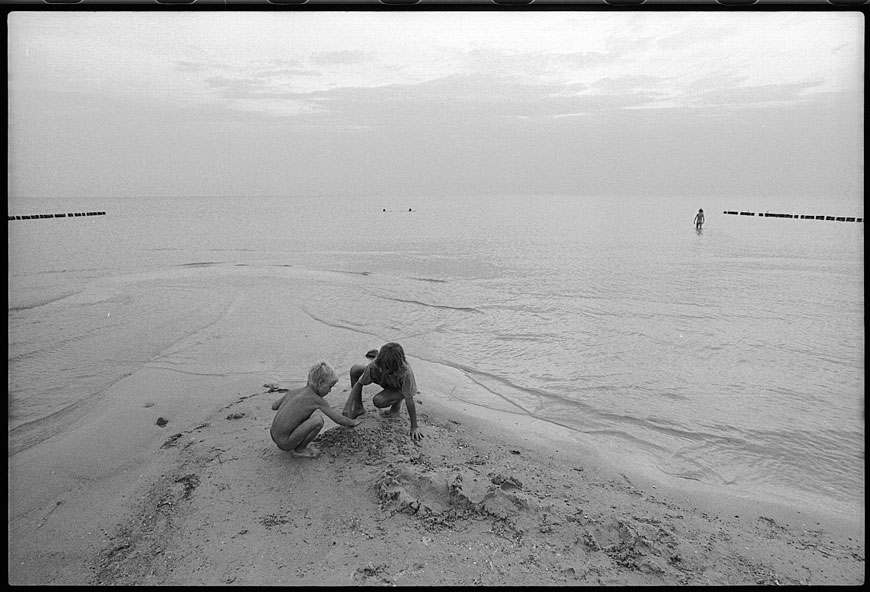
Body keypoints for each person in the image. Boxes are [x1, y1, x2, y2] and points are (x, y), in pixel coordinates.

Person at [270, 361, 361, 458]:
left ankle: (291, 438)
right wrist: (354, 422)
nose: (330, 391)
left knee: (302, 415)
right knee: (318, 420)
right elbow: (338, 419)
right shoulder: (316, 399)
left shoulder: (293, 392)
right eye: (330, 386)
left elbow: (274, 406)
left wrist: (291, 410)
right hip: (285, 443)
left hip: (273, 435)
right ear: (320, 383)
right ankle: (300, 449)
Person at [342, 342, 423, 441]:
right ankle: (358, 408)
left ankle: (396, 403)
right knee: (355, 370)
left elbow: (409, 399)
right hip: (384, 380)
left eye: (383, 368)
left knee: (378, 400)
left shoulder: (406, 373)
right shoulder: (375, 365)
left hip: (399, 388)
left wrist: (414, 427)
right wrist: (348, 404)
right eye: (379, 366)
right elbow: (359, 384)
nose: (380, 369)